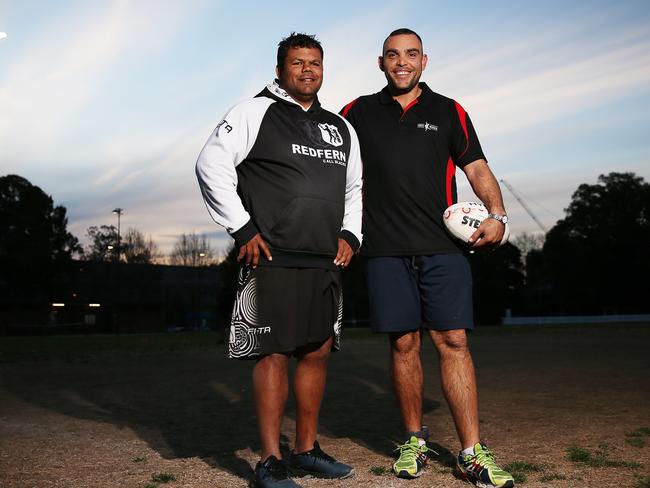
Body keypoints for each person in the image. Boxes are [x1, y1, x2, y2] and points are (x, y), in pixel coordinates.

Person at [341, 28, 515, 488]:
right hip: (383, 250)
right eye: (393, 55)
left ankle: (471, 453)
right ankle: (413, 439)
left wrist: (496, 214)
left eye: (411, 54)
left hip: (443, 248)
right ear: (381, 62)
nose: (402, 62)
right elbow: (329, 168)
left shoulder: (449, 110)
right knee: (402, 345)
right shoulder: (355, 112)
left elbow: (475, 166)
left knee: (454, 341)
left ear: (424, 61)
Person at [196, 32, 362, 488]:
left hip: (324, 259)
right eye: (297, 63)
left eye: (315, 63)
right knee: (272, 353)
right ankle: (270, 460)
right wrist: (242, 227)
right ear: (279, 69)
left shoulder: (340, 127)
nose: (307, 70)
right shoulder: (254, 111)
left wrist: (351, 233)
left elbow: (354, 190)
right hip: (271, 254)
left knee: (317, 350)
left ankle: (306, 449)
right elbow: (211, 164)